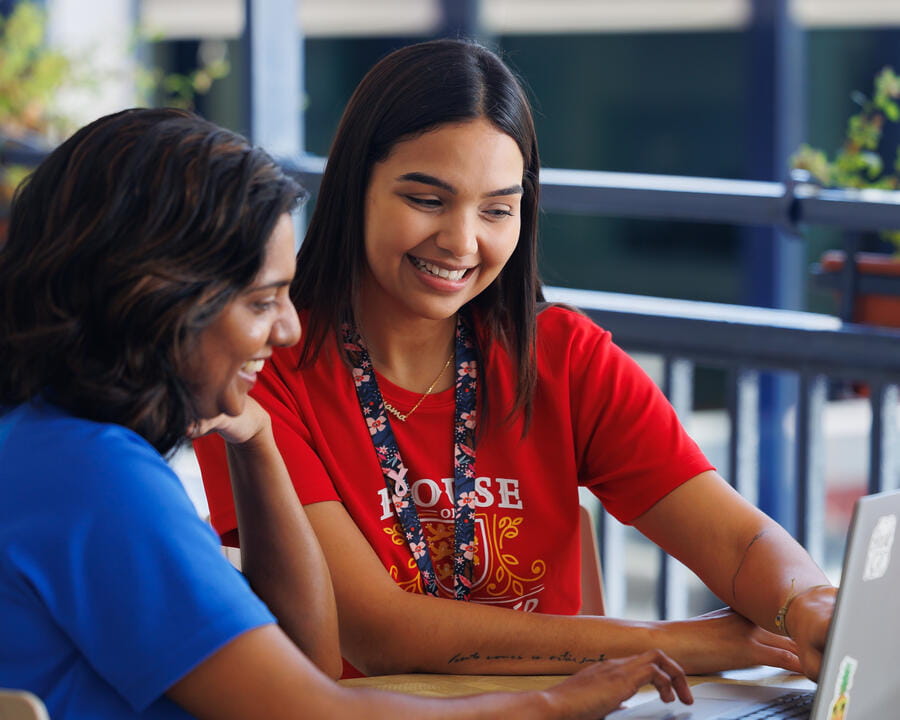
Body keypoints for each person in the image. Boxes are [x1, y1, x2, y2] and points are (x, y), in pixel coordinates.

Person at [0, 107, 695, 719]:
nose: (288, 330)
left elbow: (308, 658)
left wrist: (258, 440)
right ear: (158, 296)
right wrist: (550, 704)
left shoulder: (46, 446)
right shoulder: (94, 478)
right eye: (261, 301)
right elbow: (310, 709)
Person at [194, 39, 835, 682]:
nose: (462, 240)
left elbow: (739, 543)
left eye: (497, 209)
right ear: (354, 187)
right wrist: (685, 644)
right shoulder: (259, 369)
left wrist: (806, 606)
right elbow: (378, 634)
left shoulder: (565, 355)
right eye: (426, 199)